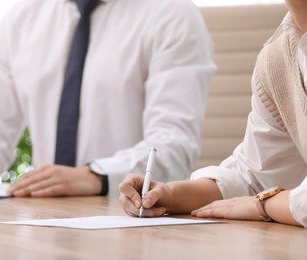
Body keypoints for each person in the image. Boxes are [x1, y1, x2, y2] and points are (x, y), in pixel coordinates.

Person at [0, 0, 215, 197]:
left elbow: (173, 145)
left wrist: (97, 176)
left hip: (128, 218)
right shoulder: (21, 18)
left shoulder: (172, 14)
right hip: (44, 218)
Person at [119, 0, 307, 228]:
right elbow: (256, 178)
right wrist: (171, 194)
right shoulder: (278, 60)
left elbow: (259, 197)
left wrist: (266, 204)